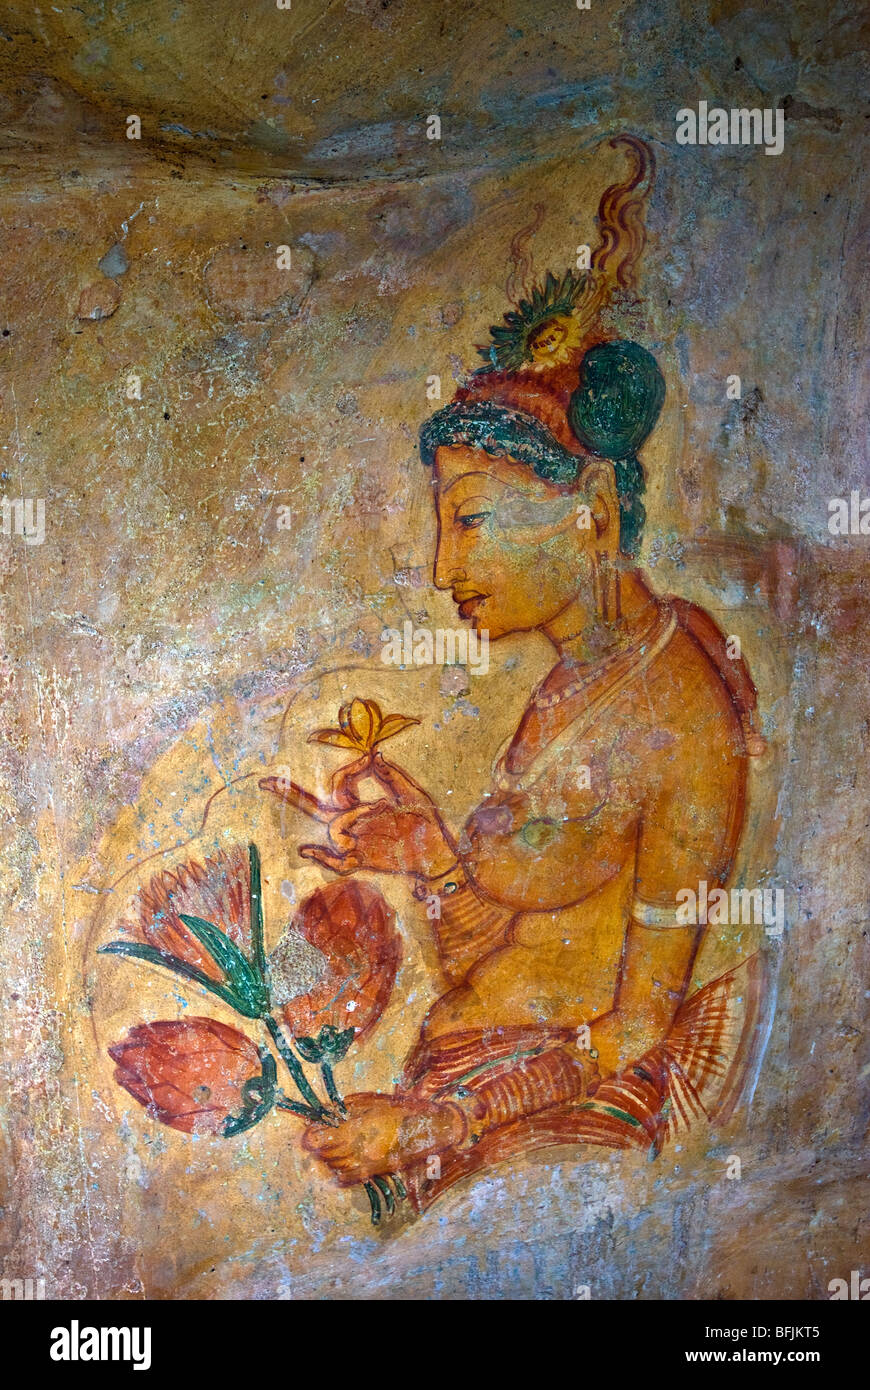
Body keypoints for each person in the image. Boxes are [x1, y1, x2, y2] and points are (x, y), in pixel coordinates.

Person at [261, 137, 767, 1210]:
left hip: (557, 1144)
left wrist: (449, 1118)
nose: (448, 567)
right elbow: (525, 956)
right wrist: (435, 861)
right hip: (474, 1104)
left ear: (586, 513)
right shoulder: (576, 679)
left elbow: (637, 1028)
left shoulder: (684, 714)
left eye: (474, 520)